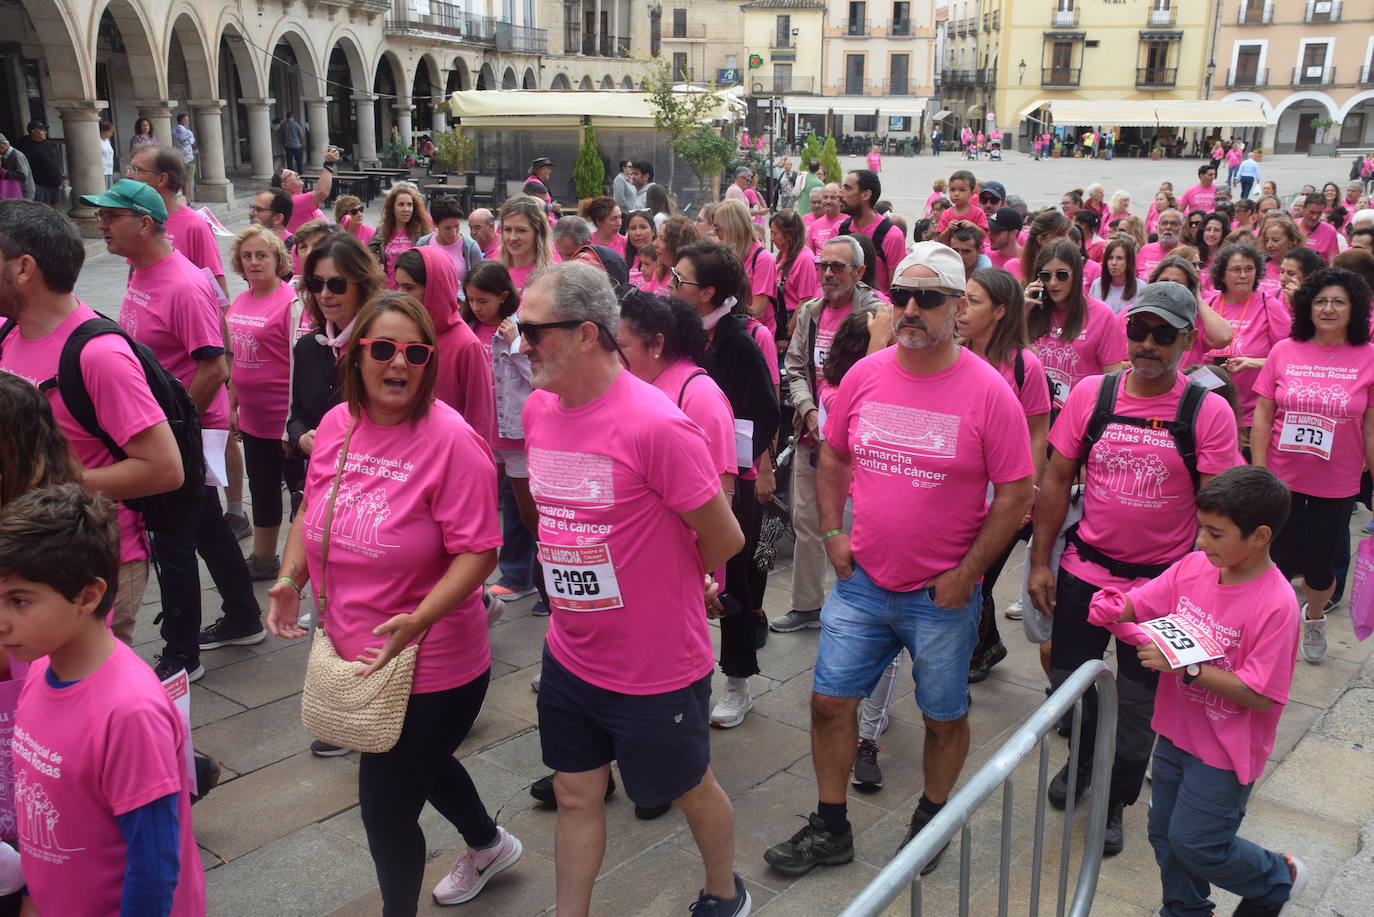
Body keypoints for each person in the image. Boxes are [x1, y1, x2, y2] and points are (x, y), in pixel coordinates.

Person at [764, 241, 1034, 876]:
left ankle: (931, 815)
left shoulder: (989, 391)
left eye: (929, 298)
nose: (911, 309)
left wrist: (966, 575)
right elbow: (834, 455)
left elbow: (1018, 491)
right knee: (830, 703)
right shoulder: (864, 375)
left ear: (957, 307)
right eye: (903, 297)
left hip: (940, 597)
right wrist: (833, 535)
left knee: (944, 717)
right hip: (862, 583)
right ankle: (831, 826)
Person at [266, 292, 522, 912]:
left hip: (434, 664)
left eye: (414, 352)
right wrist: (289, 578)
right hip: (357, 655)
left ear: (429, 362)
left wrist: (421, 619)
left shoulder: (452, 441)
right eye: (383, 348)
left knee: (384, 809)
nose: (397, 363)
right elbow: (310, 509)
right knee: (420, 767)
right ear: (356, 357)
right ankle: (489, 843)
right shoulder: (337, 426)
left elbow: (481, 552)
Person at [519, 261, 750, 917]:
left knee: (687, 786)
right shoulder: (539, 411)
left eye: (533, 331)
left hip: (654, 667)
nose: (520, 344)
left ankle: (724, 890)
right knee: (574, 791)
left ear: (586, 334)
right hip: (569, 655)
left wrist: (674, 576)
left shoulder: (655, 424)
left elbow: (724, 537)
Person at [1029, 281, 1241, 855]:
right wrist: (1039, 562)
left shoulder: (1207, 411)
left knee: (1142, 703)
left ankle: (1116, 798)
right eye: (1138, 330)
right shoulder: (1094, 396)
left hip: (1161, 591)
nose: (1147, 344)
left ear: (1187, 342)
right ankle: (1080, 766)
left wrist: (1211, 591)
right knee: (1074, 687)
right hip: (1085, 572)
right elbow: (1055, 479)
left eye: (1163, 335)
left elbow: (1224, 507)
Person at [1086, 466, 1306, 916]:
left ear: (1260, 535)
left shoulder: (1277, 604)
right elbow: (1146, 599)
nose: (1201, 542)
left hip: (1225, 750)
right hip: (1175, 732)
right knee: (1165, 836)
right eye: (1201, 528)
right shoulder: (1195, 566)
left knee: (1199, 843)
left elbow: (1260, 694)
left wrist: (1188, 669)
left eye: (1215, 533)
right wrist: (1117, 604)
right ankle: (1184, 910)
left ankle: (1277, 876)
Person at [80, 179, 265, 681]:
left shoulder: (181, 283)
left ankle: (181, 656)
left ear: (144, 222)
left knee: (171, 543)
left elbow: (214, 367)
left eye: (110, 217)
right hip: (177, 432)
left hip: (182, 435)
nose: (101, 226)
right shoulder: (144, 271)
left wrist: (173, 434)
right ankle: (245, 618)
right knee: (206, 529)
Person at [0, 484, 206, 915]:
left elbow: (153, 870)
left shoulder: (129, 712)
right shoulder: (40, 668)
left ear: (88, 596)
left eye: (19, 601)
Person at [0, 198, 183, 644]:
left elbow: (164, 468)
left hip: (86, 567)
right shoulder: (10, 333)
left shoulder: (98, 355)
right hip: (27, 554)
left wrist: (46, 483)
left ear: (23, 267)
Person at [670, 241, 781, 726]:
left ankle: (738, 682)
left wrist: (736, 460)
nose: (672, 287)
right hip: (680, 477)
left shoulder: (738, 340)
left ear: (708, 292)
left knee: (733, 583)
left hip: (729, 482)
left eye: (681, 281)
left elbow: (766, 412)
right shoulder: (684, 335)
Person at [1252, 267, 1374, 664]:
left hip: (1337, 482)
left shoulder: (1368, 356)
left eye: (1338, 301)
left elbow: (1371, 426)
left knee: (1320, 569)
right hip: (1282, 477)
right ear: (1308, 306)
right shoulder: (1284, 350)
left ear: (1354, 308)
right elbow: (1263, 416)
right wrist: (1259, 471)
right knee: (1277, 560)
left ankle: (1315, 615)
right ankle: (1274, 625)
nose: (1328, 308)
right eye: (1321, 300)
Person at [772, 236, 884, 637]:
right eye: (823, 266)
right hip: (812, 436)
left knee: (855, 526)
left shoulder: (876, 314)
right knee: (805, 521)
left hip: (856, 444)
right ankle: (806, 605)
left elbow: (883, 375)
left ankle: (858, 608)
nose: (828, 274)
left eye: (838, 267)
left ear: (859, 272)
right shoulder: (812, 311)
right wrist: (810, 411)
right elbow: (796, 366)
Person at [958, 267, 1051, 683]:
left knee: (981, 572)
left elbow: (1038, 431)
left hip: (1005, 492)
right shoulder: (952, 354)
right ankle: (987, 642)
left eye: (973, 301)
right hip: (961, 488)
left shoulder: (1023, 366)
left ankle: (971, 649)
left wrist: (1029, 492)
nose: (961, 308)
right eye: (961, 298)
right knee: (972, 573)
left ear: (1000, 311)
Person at [225, 225, 305, 580]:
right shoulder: (241, 300)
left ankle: (299, 567)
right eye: (247, 256)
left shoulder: (292, 303)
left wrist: (293, 422)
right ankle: (263, 558)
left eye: (262, 255)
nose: (254, 262)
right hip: (253, 417)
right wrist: (232, 405)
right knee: (261, 489)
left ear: (278, 260)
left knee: (301, 498)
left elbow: (299, 364)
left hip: (284, 420)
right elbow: (236, 359)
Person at [461, 262, 539, 610]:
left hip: (516, 435)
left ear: (504, 297)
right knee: (478, 507)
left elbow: (538, 377)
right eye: (472, 300)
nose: (477, 307)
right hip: (482, 434)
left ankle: (543, 575)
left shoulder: (518, 329)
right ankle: (495, 576)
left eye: (484, 300)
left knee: (528, 512)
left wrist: (516, 343)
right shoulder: (469, 328)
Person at [392, 246, 497, 438]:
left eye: (408, 288)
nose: (399, 295)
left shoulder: (467, 346)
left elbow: (479, 419)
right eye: (398, 286)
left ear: (434, 288)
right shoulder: (401, 333)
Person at [1204, 243, 1291, 452]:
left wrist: (1253, 363)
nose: (1243, 275)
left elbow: (1291, 359)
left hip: (1255, 413)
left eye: (1249, 269)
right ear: (1222, 275)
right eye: (1236, 270)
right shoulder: (1210, 305)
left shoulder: (1268, 304)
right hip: (1212, 409)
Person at [1025, 238, 1127, 414]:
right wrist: (1022, 313)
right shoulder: (1032, 310)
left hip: (1080, 414)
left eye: (1062, 275)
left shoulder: (1102, 315)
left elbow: (1112, 378)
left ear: (1077, 274)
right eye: (1045, 276)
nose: (1053, 283)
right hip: (1035, 413)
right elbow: (1009, 359)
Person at [125, 143, 227, 296]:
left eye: (137, 170)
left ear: (161, 179)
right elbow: (134, 274)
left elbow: (217, 288)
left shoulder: (194, 225)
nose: (128, 175)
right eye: (130, 168)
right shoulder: (139, 219)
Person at [713, 199, 778, 334]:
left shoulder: (763, 258)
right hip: (732, 331)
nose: (715, 233)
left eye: (717, 227)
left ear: (731, 227)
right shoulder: (727, 255)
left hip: (754, 337)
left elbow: (758, 310)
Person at [839, 169, 907, 293]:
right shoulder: (839, 230)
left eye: (847, 188)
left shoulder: (891, 235)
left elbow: (896, 288)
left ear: (866, 195)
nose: (840, 194)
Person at [771, 209, 820, 336]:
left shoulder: (805, 259)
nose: (771, 238)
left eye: (775, 234)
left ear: (788, 236)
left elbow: (805, 300)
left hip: (791, 321)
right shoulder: (784, 253)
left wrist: (788, 333)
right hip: (780, 317)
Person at [271, 145, 341, 234]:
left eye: (294, 171)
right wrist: (328, 164)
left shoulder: (298, 200)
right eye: (291, 174)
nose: (296, 173)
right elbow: (322, 192)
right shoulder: (291, 201)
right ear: (285, 185)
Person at [374, 185, 431, 289]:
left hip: (412, 292)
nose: (406, 209)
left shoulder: (421, 231)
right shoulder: (382, 230)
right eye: (401, 204)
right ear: (392, 207)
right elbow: (369, 253)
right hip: (388, 291)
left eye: (409, 205)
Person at [499, 195, 551, 292]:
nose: (512, 237)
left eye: (521, 230)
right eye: (507, 229)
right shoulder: (494, 273)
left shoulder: (551, 278)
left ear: (538, 232)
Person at [13, 121, 63, 208]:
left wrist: (60, 177)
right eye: (42, 130)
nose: (45, 132)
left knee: (55, 207)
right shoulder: (26, 146)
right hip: (41, 185)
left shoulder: (46, 143)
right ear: (34, 131)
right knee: (42, 208)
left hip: (55, 182)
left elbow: (55, 162)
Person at [1097, 237, 1141, 313]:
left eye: (1119, 258)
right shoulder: (1097, 284)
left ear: (1129, 261)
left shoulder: (1141, 288)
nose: (1113, 263)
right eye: (1110, 258)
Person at [1296, 193, 1340, 263]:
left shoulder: (1330, 231)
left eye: (1319, 213)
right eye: (1311, 212)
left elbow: (1333, 261)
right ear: (1304, 209)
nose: (1314, 217)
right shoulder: (1292, 226)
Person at [806, 183, 845, 254]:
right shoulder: (815, 225)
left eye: (833, 197)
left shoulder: (849, 221)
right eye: (825, 197)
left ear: (840, 200)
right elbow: (811, 255)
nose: (828, 201)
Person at [169, 113, 196, 201]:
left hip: (178, 157)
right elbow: (193, 145)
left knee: (180, 180)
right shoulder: (187, 132)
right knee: (187, 181)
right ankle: (187, 200)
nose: (188, 122)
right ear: (183, 120)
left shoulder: (172, 130)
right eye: (187, 120)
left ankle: (181, 199)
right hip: (188, 158)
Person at [0, 134, 33, 201]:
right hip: (14, 191)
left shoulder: (16, 155)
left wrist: (4, 172)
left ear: (3, 144)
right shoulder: (5, 155)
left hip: (24, 192)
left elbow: (23, 175)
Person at [99, 120, 115, 190]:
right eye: (109, 132)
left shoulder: (107, 141)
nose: (111, 134)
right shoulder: (98, 141)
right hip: (103, 170)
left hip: (109, 170)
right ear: (102, 131)